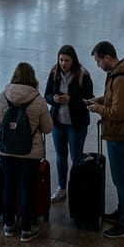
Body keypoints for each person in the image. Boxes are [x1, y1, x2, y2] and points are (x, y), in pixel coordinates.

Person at [0, 62, 53, 242]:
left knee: (9, 187)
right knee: (27, 189)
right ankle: (26, 229)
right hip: (30, 153)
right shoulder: (38, 99)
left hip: (7, 151)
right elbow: (48, 128)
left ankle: (8, 226)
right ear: (33, 78)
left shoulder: (4, 96)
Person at [86, 41, 124, 239]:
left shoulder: (121, 80)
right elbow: (114, 100)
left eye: (99, 61)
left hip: (120, 134)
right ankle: (121, 212)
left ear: (107, 57)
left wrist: (99, 109)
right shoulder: (116, 74)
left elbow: (118, 112)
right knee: (120, 178)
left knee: (121, 179)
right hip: (118, 133)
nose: (98, 65)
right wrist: (99, 100)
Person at [43, 45, 94, 204]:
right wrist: (54, 99)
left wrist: (71, 100)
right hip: (58, 122)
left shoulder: (82, 75)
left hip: (76, 124)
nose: (63, 63)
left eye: (66, 60)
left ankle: (77, 188)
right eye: (61, 60)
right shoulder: (54, 72)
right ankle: (61, 188)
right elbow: (47, 95)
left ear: (73, 60)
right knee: (60, 156)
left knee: (76, 157)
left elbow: (89, 99)